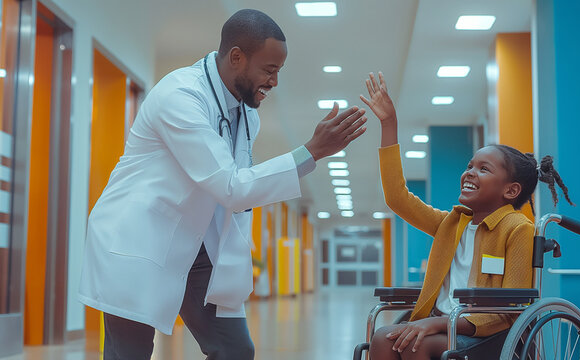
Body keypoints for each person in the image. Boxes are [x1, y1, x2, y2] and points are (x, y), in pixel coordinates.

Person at [78, 9, 367, 360]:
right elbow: (232, 187)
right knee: (130, 353)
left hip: (195, 245)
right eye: (269, 69)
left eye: (278, 71)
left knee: (234, 350)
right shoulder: (181, 97)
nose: (274, 81)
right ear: (236, 57)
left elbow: (237, 186)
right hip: (138, 240)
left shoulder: (247, 115)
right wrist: (312, 151)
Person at [360, 72, 574, 359]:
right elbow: (397, 198)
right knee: (383, 338)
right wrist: (389, 124)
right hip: (443, 324)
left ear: (511, 191)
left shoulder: (518, 228)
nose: (470, 172)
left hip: (488, 335)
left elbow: (512, 310)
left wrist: (437, 322)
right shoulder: (451, 223)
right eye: (470, 165)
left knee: (413, 344)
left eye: (484, 169)